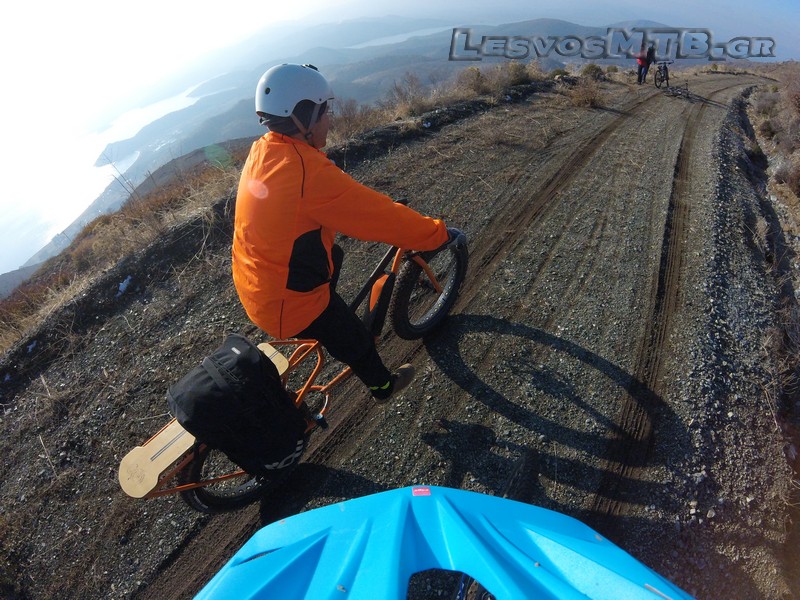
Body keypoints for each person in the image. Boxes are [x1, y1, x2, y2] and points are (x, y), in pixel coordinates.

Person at [231, 63, 462, 403]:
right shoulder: (308, 173)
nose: (330, 118)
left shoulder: (266, 150)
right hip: (285, 303)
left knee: (334, 254)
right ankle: (382, 386)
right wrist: (436, 234)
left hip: (255, 278)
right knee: (355, 338)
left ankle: (330, 318)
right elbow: (381, 218)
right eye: (325, 111)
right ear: (304, 118)